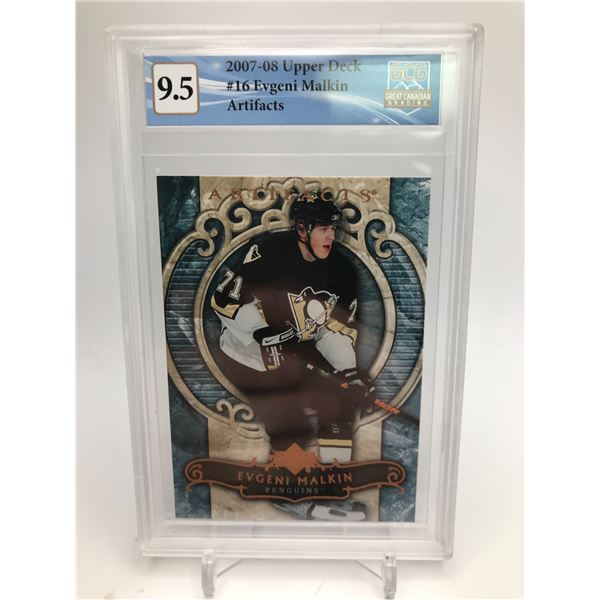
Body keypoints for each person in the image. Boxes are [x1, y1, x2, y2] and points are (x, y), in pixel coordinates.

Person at [211, 189, 375, 520]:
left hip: (295, 349)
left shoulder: (341, 270)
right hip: (246, 351)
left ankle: (330, 488)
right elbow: (223, 299)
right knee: (290, 417)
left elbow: (333, 329)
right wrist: (259, 330)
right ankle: (289, 492)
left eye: (333, 228)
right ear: (302, 229)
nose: (331, 236)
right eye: (323, 228)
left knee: (340, 402)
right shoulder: (269, 253)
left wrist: (349, 373)